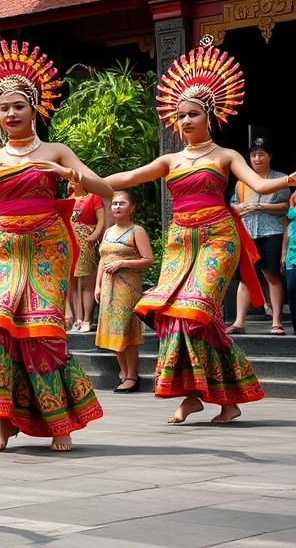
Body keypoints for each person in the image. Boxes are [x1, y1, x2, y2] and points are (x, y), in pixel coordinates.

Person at [0, 37, 110, 452]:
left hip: (47, 245)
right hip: (4, 248)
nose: (10, 113)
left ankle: (59, 419)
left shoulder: (56, 150)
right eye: (4, 108)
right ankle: (5, 420)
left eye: (18, 106)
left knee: (43, 331)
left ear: (34, 109)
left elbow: (102, 186)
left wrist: (67, 174)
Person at [106, 40, 287, 424]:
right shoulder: (170, 159)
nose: (184, 121)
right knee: (177, 316)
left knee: (195, 311)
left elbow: (260, 184)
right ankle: (205, 396)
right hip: (180, 242)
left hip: (218, 239)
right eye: (180, 115)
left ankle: (204, 394)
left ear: (209, 116)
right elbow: (129, 177)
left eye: (192, 114)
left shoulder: (225, 155)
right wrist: (87, 178)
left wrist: (289, 178)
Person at [227, 139, 289, 335]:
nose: (257, 158)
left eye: (261, 154)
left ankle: (276, 321)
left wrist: (262, 206)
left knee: (271, 275)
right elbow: (232, 205)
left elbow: (287, 206)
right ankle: (238, 322)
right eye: (253, 154)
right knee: (245, 277)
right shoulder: (242, 182)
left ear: (269, 157)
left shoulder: (281, 179)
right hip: (247, 233)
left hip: (271, 232)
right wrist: (239, 208)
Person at [94, 190, 154, 392]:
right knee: (112, 331)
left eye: (122, 203)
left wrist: (122, 263)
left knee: (126, 331)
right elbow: (103, 259)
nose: (117, 207)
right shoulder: (109, 231)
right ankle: (123, 372)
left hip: (127, 288)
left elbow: (148, 260)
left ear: (132, 208)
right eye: (114, 204)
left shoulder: (137, 231)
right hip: (108, 288)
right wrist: (98, 285)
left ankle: (131, 375)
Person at [68, 183, 105, 332]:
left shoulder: (93, 198)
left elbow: (101, 219)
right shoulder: (69, 199)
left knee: (86, 282)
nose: (71, 183)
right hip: (72, 242)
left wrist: (94, 235)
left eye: (74, 180)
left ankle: (87, 319)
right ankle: (77, 318)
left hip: (86, 240)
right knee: (74, 282)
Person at [282, 192, 296, 334]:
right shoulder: (290, 218)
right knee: (291, 290)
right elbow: (286, 232)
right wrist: (283, 254)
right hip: (292, 256)